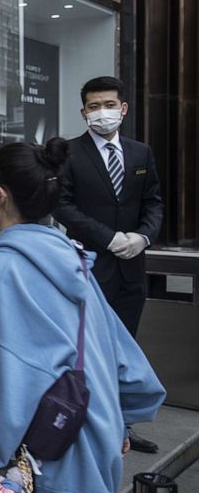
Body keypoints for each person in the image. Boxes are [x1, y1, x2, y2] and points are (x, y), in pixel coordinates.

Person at [0, 138, 165, 493]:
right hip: (96, 435)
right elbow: (118, 348)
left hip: (52, 456)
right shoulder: (73, 258)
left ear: (0, 196)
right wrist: (122, 417)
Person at [53, 76, 164, 454]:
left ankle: (123, 426)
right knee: (88, 350)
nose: (103, 113)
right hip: (90, 267)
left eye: (109, 105)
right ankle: (86, 425)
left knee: (126, 350)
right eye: (94, 107)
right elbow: (62, 205)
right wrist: (109, 238)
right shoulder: (70, 152)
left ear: (123, 108)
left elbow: (153, 202)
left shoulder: (140, 153)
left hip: (132, 268)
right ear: (83, 112)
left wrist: (142, 237)